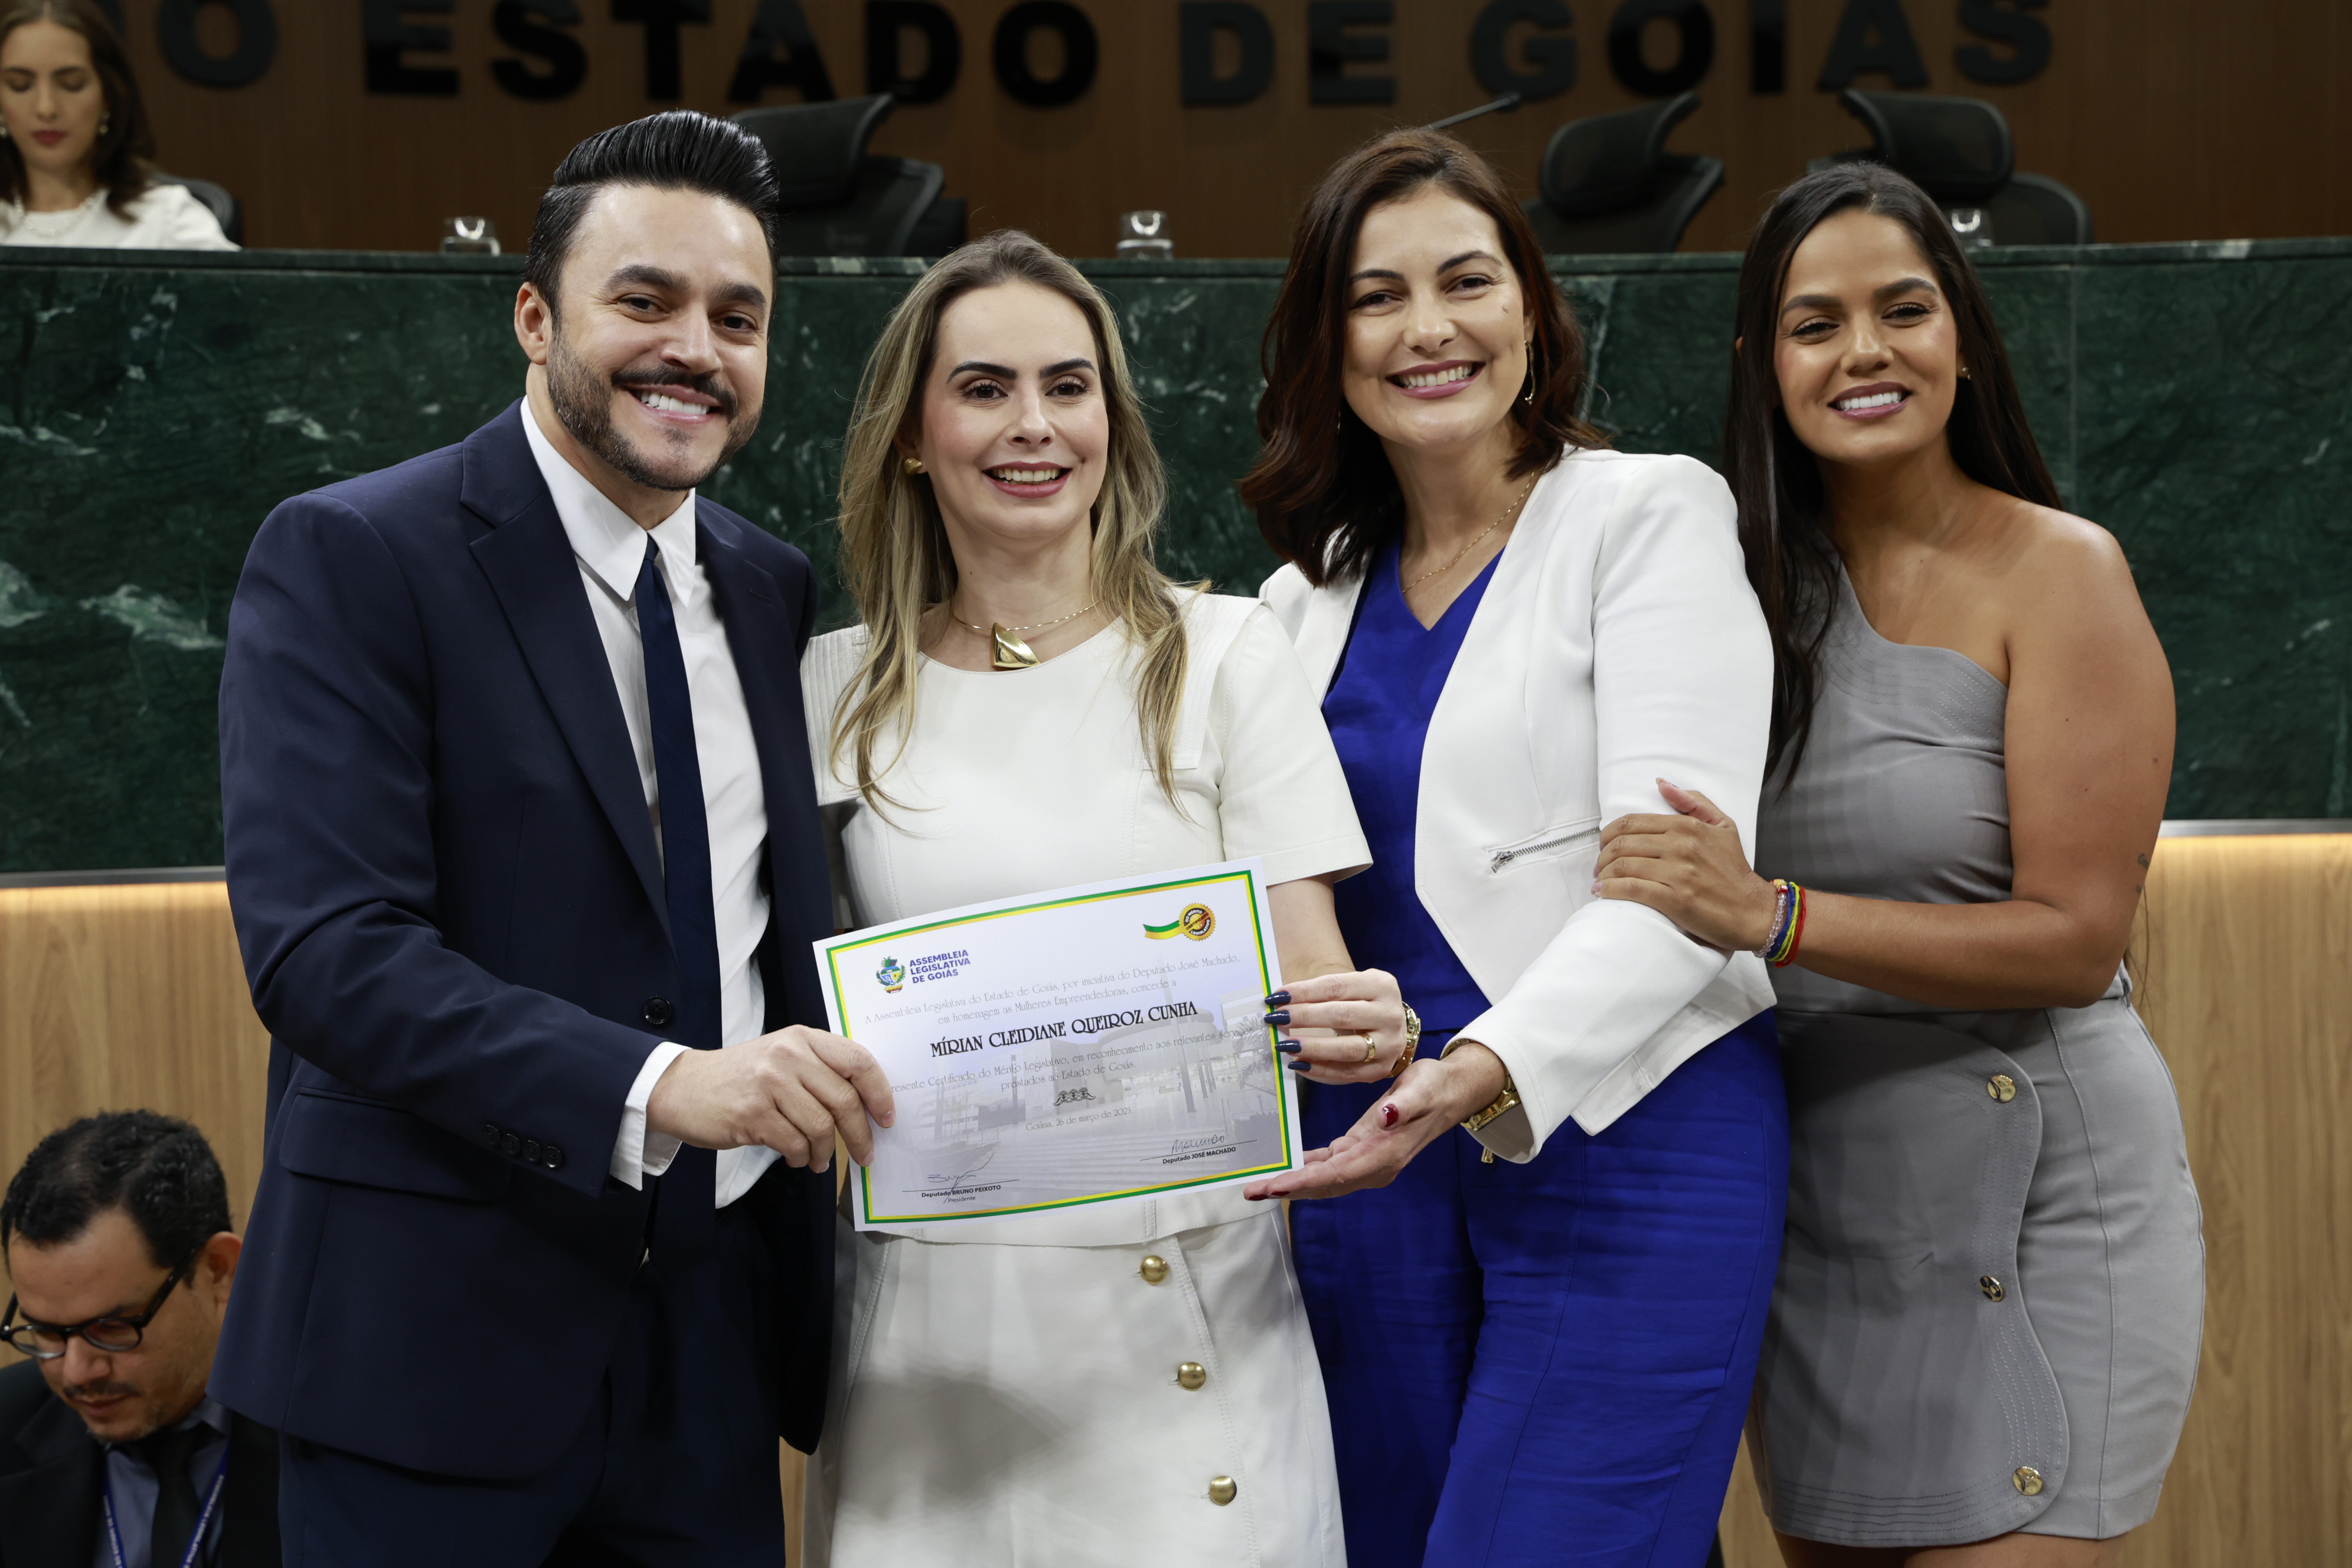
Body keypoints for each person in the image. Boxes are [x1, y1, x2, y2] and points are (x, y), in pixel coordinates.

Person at [213, 111, 891, 1564]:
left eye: (737, 318)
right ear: (534, 317)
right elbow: (328, 953)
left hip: (712, 1336)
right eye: (644, 300)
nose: (694, 349)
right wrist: (662, 1084)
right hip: (428, 1336)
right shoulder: (352, 551)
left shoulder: (767, 587)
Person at [1592, 162, 2203, 1566]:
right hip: (1822, 1211)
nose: (1864, 351)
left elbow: (2075, 937)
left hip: (2040, 1196)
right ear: (1763, 363)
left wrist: (1773, 915)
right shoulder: (1726, 590)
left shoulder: (2063, 571)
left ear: (1963, 337)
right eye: (1816, 324)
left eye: (1904, 310)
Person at [798, 229, 1400, 1567]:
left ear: (1111, 423)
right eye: (984, 388)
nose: (1034, 425)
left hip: (1187, 1304)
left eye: (1067, 387)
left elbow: (1311, 967)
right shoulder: (829, 690)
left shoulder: (1227, 653)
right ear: (913, 436)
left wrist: (1363, 1023)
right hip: (934, 1330)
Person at [1237, 128, 1787, 1568]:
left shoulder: (1646, 515)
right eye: (1376, 296)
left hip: (1633, 1124)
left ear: (1532, 311)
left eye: (1466, 281)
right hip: (1375, 1164)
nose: (1427, 327)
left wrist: (1479, 1068)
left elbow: (1681, 890)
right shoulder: (1292, 605)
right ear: (1326, 344)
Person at [0, 1111, 279, 1567]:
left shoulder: (334, 1435)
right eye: (47, 1330)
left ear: (219, 1271)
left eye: (112, 1327)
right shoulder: (6, 1426)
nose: (77, 1373)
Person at [0, 0, 233, 250]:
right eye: (20, 86)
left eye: (72, 85)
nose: (46, 109)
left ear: (108, 97)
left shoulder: (166, 220)